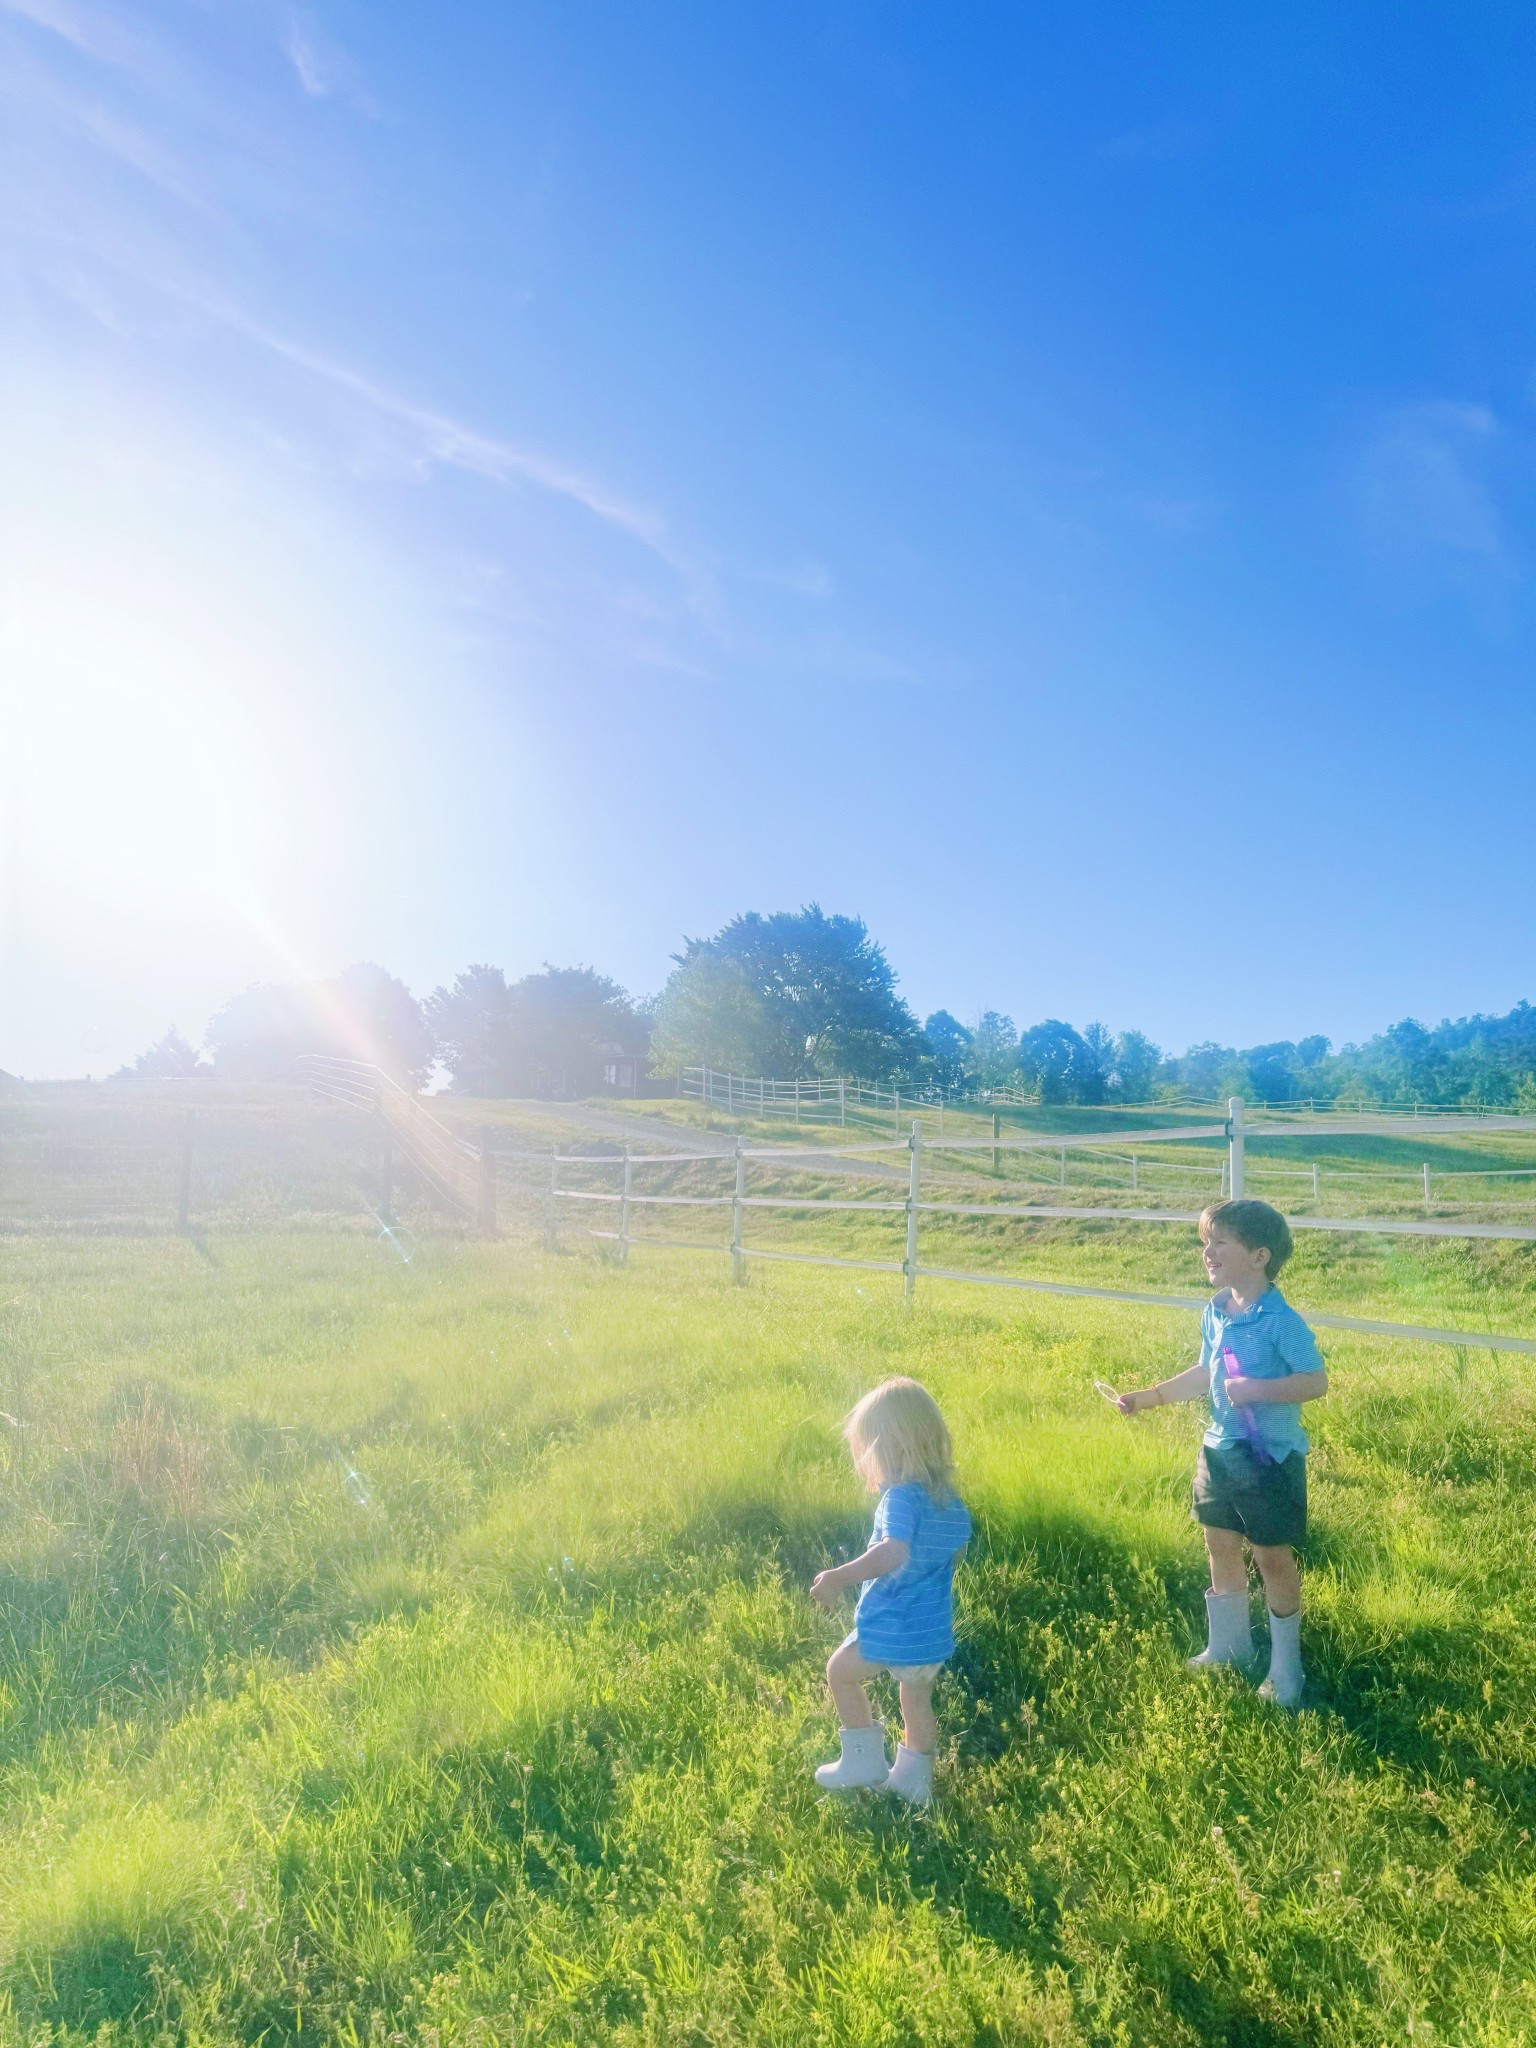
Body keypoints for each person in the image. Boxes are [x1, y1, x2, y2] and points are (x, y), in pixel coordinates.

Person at [1118, 1198, 1328, 1709]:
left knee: (1270, 1555)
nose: (1207, 1251)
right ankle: (1231, 1646)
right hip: (1218, 1451)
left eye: (1220, 1242)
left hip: (1268, 1458)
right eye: (1205, 1242)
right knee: (1219, 1542)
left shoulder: (1281, 1321)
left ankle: (1286, 1667)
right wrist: (1150, 1397)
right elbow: (1204, 1372)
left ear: (1259, 1256)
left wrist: (1256, 1389)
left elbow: (1315, 1381)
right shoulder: (1215, 1311)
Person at [809, 1376, 971, 1806]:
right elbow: (954, 1552)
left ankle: (862, 1761)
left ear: (892, 1447)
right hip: (930, 1631)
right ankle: (915, 1780)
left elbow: (893, 1551)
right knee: (916, 1699)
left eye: (868, 1450)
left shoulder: (901, 1498)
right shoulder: (949, 1502)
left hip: (894, 1624)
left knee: (840, 1672)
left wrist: (840, 1576)